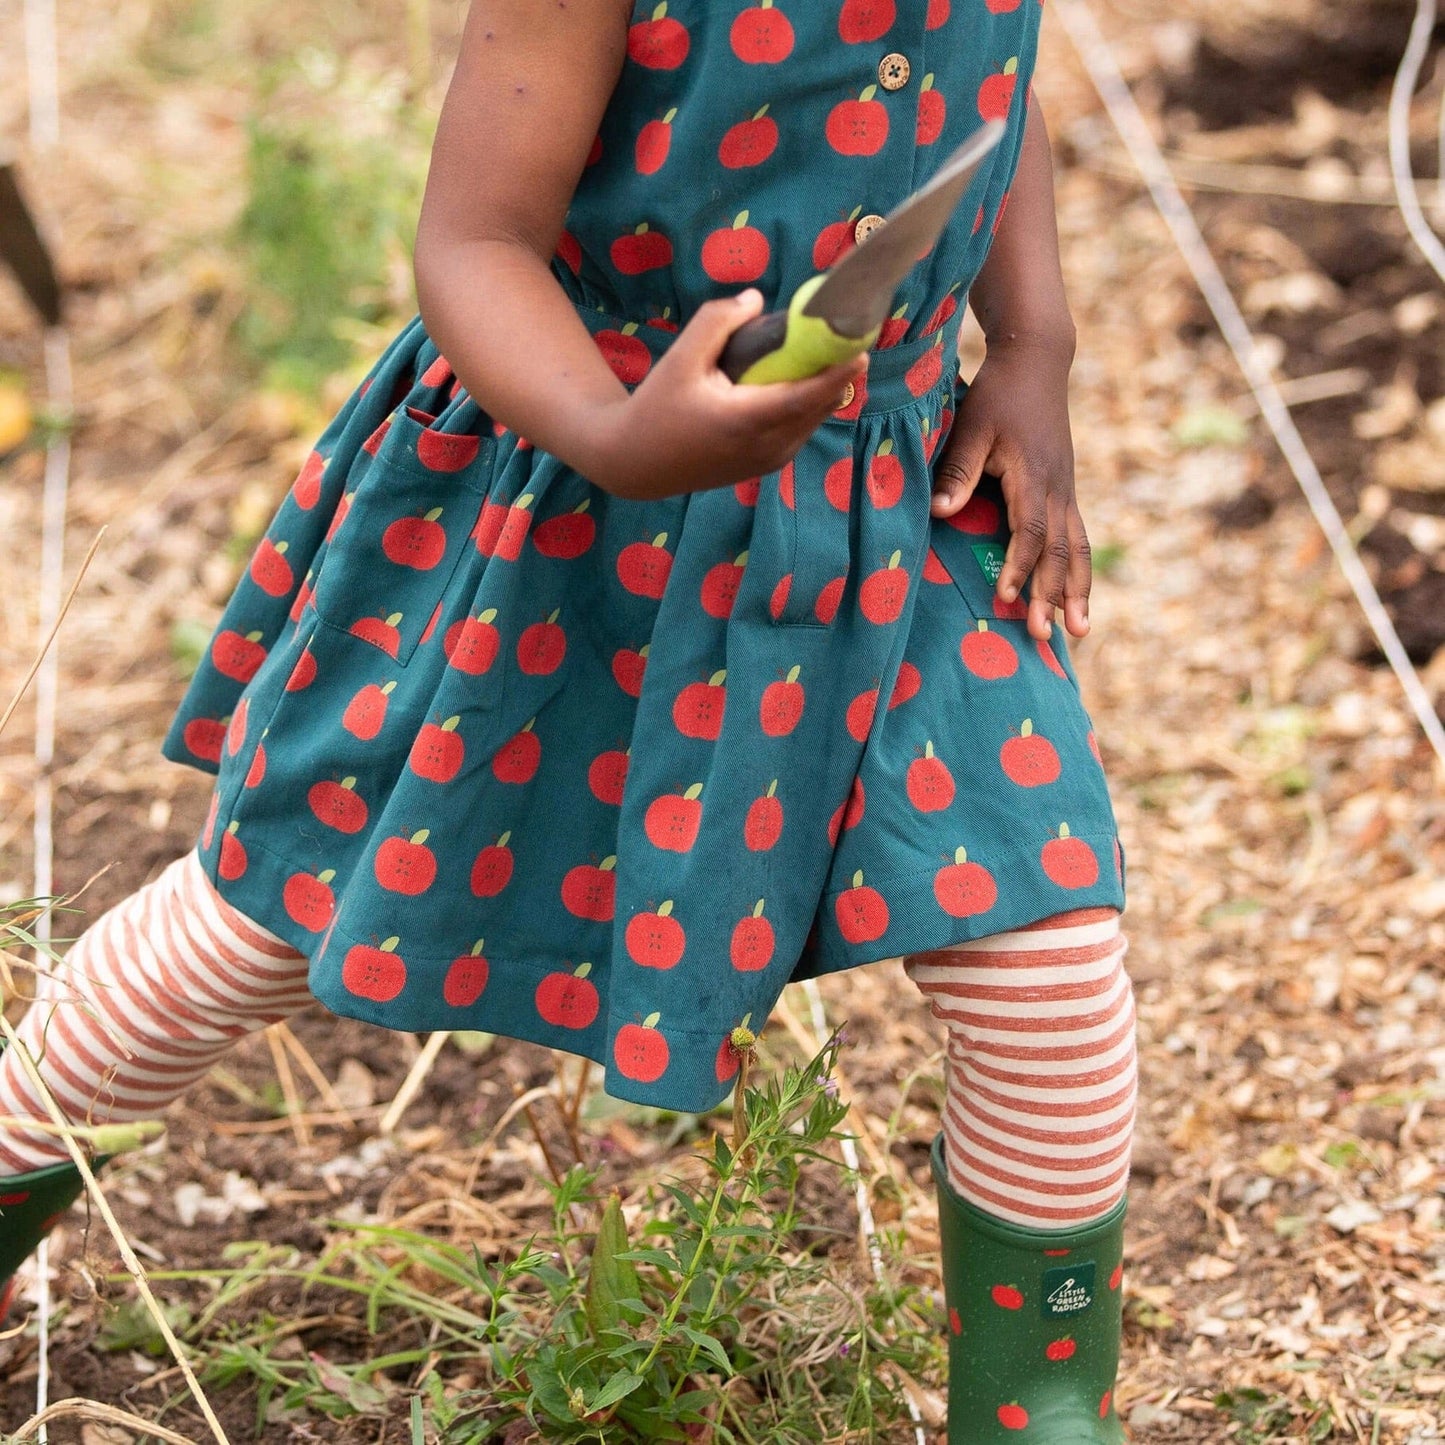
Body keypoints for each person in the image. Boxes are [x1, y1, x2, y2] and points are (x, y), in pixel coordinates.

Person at [0, 2, 1136, 1437]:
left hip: (875, 518)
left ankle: (1041, 1409)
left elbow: (996, 92)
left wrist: (1033, 342)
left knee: (1041, 943)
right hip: (571, 500)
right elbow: (473, 241)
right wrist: (614, 435)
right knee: (273, 915)